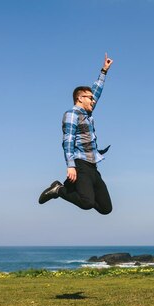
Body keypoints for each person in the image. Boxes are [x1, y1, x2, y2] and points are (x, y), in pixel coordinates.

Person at [38, 53, 114, 215]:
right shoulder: (72, 114)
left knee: (106, 208)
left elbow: (96, 91)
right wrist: (71, 166)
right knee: (87, 203)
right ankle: (58, 189)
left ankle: (70, 185)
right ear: (80, 98)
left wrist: (104, 71)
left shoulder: (87, 114)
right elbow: (68, 141)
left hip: (93, 166)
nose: (93, 101)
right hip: (80, 165)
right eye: (90, 98)